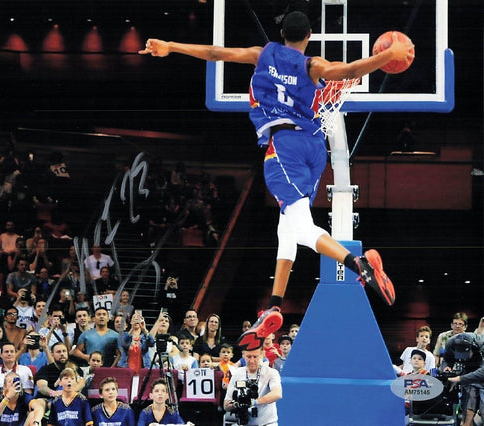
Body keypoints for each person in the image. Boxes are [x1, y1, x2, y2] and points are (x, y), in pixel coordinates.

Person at [139, 10, 411, 350]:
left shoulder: (261, 54)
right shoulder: (313, 66)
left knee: (298, 228)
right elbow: (350, 71)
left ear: (281, 33)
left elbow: (215, 53)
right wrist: (386, 56)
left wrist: (170, 46)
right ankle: (274, 304)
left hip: (283, 147)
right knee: (287, 226)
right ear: (309, 35)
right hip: (314, 147)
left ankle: (358, 264)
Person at [224, 347, 282, 426]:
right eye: (248, 357)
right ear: (243, 355)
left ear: (262, 355)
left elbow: (277, 394)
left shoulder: (271, 372)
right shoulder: (237, 373)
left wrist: (254, 402)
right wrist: (237, 404)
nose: (252, 361)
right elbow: (226, 405)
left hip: (267, 423)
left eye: (255, 357)